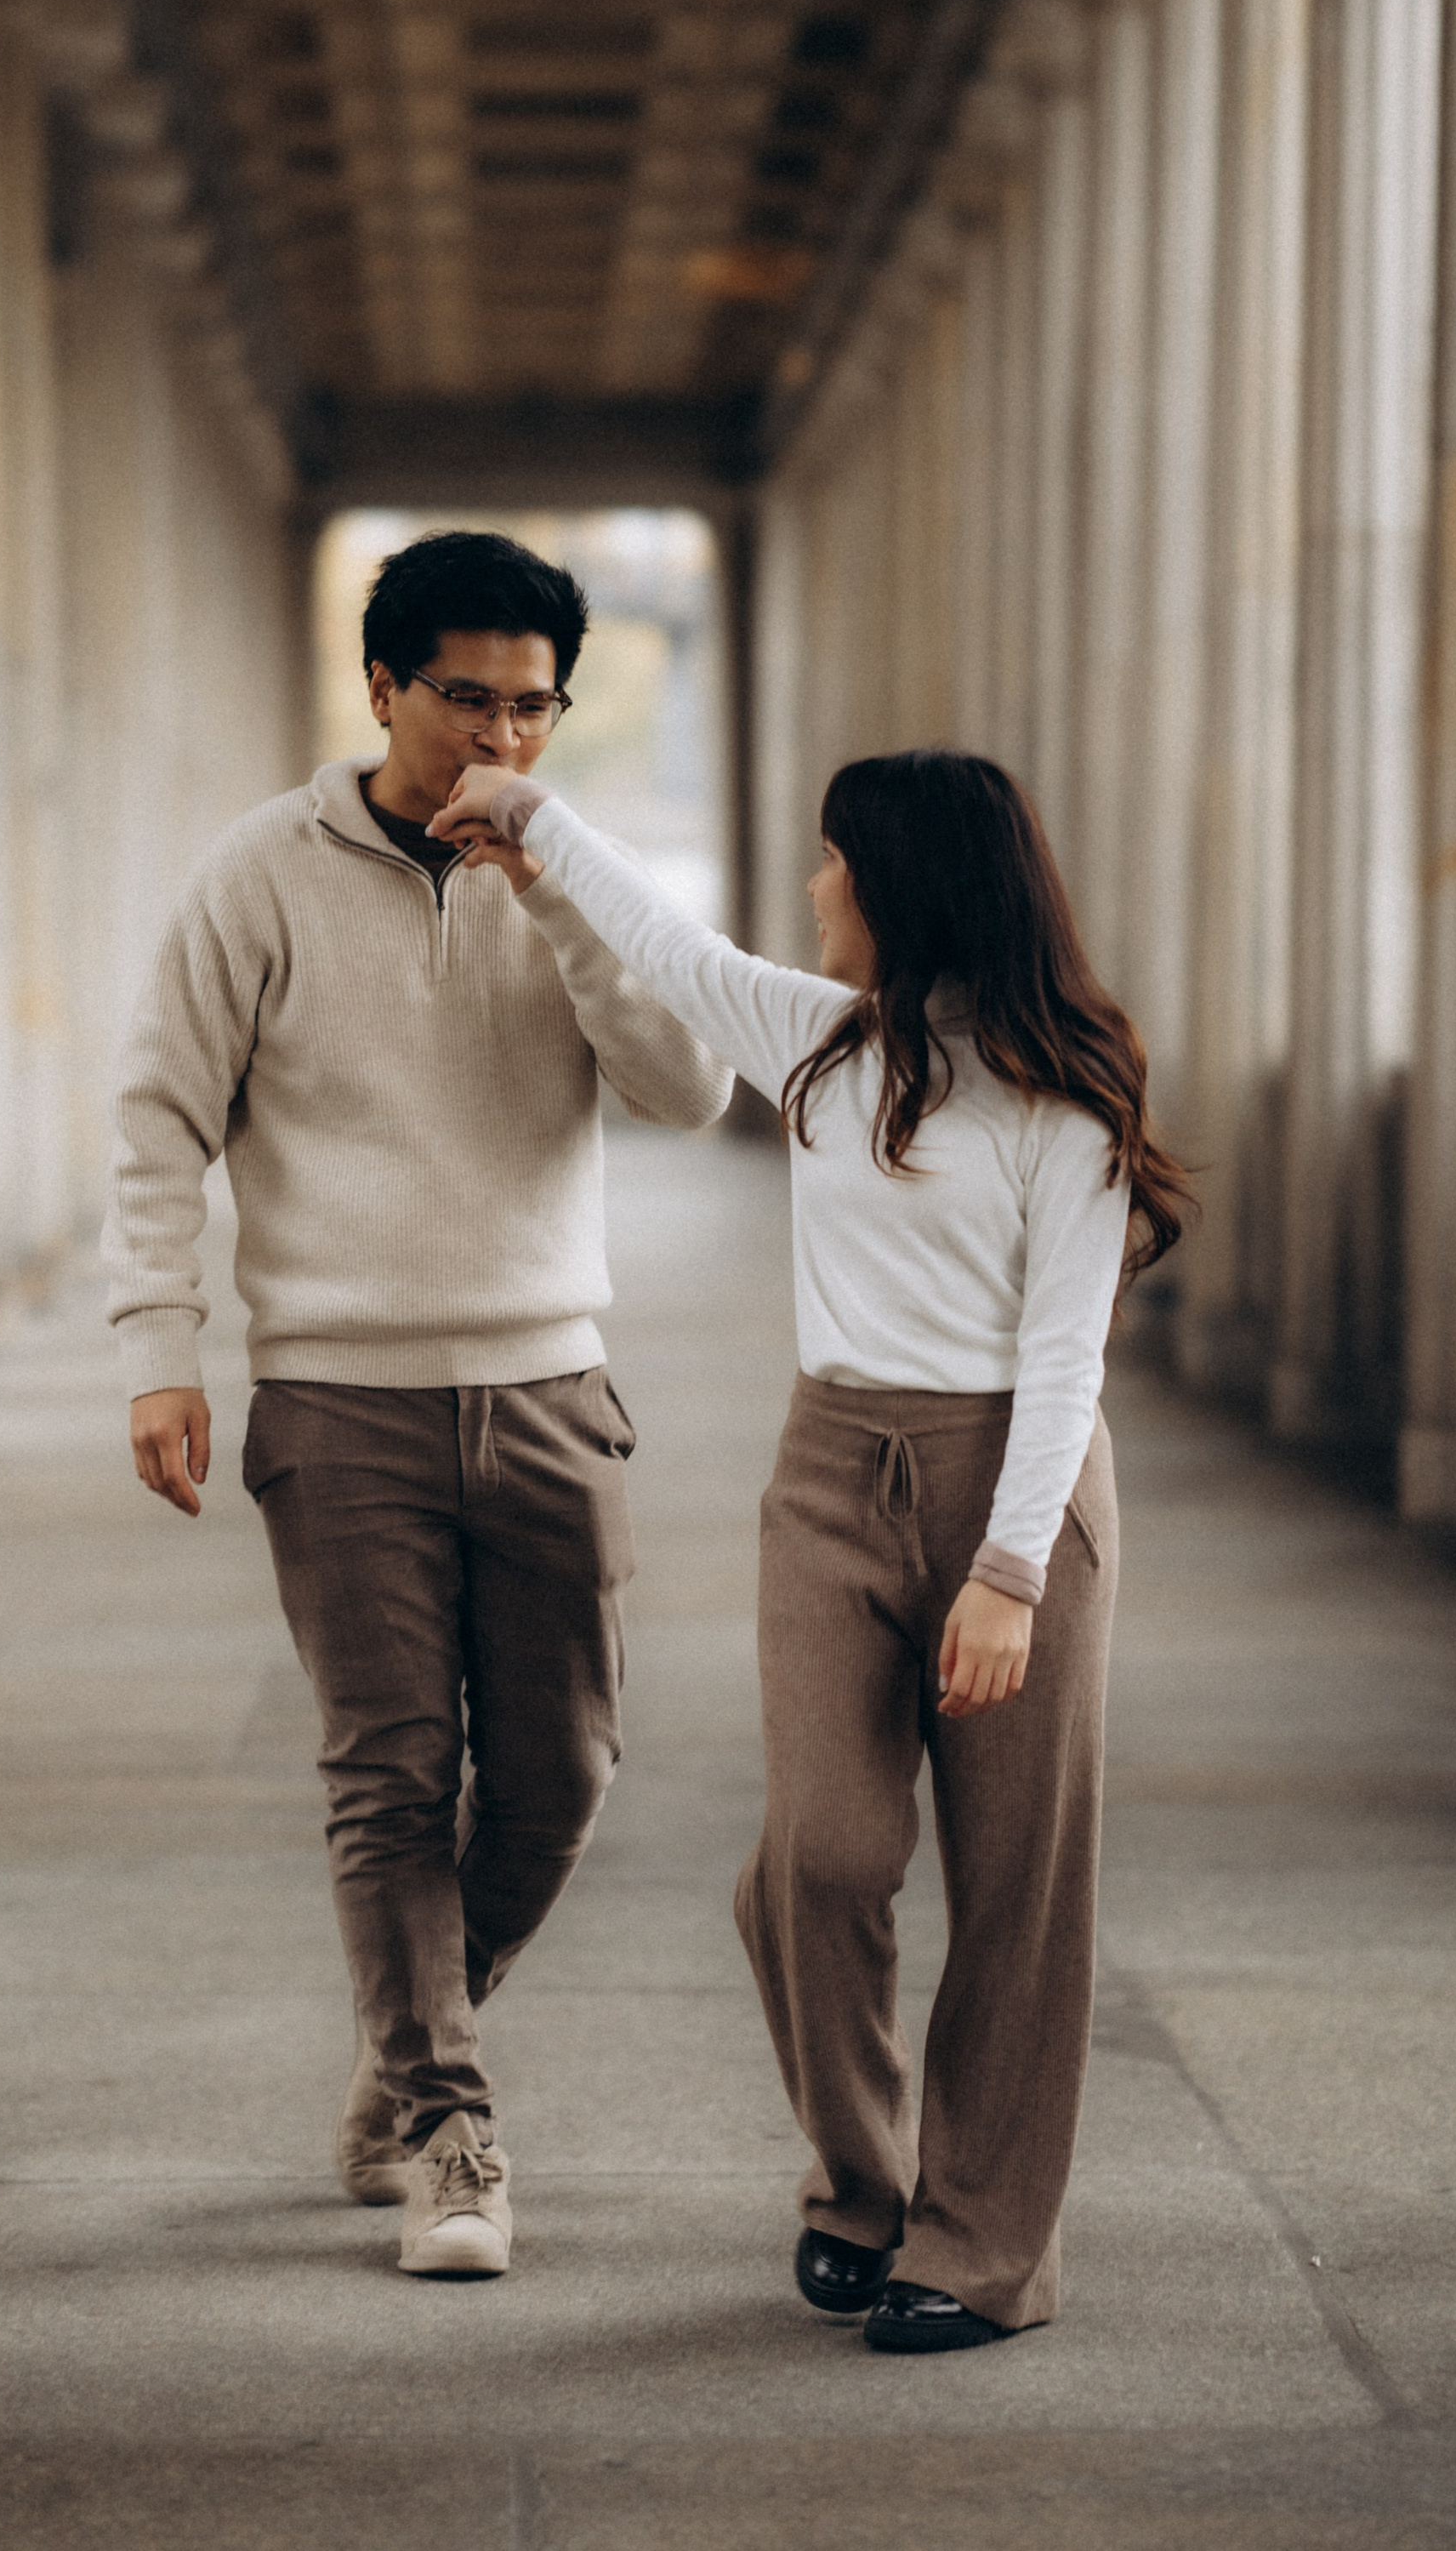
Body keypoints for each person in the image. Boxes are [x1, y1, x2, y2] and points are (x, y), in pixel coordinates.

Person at [435, 746, 1188, 2350]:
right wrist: (531, 813)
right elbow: (671, 947)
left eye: (836, 861)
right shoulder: (821, 1042)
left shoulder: (1067, 1089)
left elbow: (1066, 1355)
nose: (815, 886)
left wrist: (1009, 1574)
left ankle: (988, 2248)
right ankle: (865, 2177)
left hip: (1017, 1482)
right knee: (822, 1858)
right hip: (833, 1473)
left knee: (1020, 1887)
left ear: (906, 882)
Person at [105, 532, 732, 2281]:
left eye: (535, 707)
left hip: (551, 1385)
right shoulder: (260, 874)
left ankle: (398, 2054)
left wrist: (560, 894)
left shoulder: (579, 870)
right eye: (468, 698)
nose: (502, 737)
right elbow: (159, 1112)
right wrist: (158, 1343)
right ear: (382, 685)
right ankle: (452, 2130)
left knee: (560, 1775)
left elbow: (688, 1087)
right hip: (340, 1398)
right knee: (388, 1775)